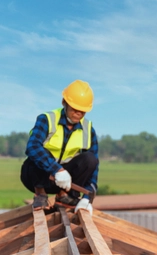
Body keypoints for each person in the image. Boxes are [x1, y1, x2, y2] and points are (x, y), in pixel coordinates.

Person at [21, 80, 99, 213]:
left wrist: (87, 198)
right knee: (38, 153)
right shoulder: (47, 119)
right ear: (64, 102)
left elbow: (93, 167)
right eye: (75, 108)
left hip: (68, 184)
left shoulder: (88, 129)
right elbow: (32, 147)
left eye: (83, 111)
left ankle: (65, 197)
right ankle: (40, 195)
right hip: (39, 178)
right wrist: (56, 170)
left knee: (90, 159)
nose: (78, 113)